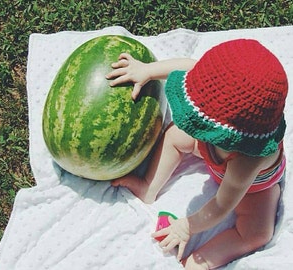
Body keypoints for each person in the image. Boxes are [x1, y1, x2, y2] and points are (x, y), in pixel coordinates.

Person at [105, 39, 288, 269]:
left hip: (252, 188)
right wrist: (147, 71)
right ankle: (148, 186)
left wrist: (186, 227)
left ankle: (197, 262)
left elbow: (222, 205)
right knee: (174, 136)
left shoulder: (248, 161)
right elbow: (189, 66)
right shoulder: (216, 85)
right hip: (214, 153)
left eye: (200, 120)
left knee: (257, 233)